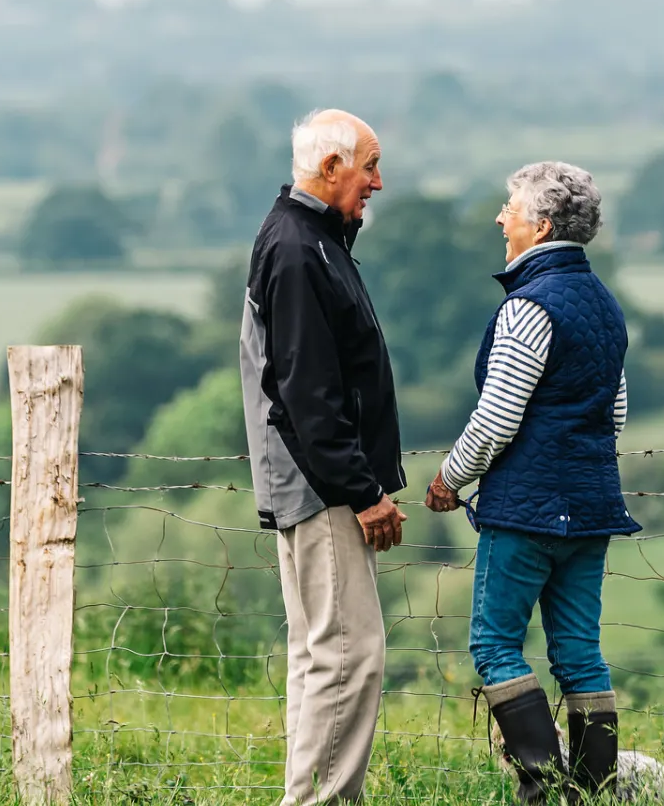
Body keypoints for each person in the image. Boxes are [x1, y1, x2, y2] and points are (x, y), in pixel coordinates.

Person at [425, 161, 640, 805]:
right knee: (579, 651)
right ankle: (593, 794)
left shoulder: (526, 308)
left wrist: (447, 478)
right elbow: (616, 412)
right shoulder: (606, 308)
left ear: (540, 226)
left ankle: (541, 789)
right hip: (593, 507)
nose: (500, 217)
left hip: (525, 511)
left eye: (510, 208)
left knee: (495, 647)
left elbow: (496, 420)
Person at [239, 108, 408, 805]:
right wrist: (362, 490)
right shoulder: (300, 249)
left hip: (312, 481)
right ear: (331, 167)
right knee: (348, 655)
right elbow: (308, 391)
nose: (377, 181)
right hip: (321, 487)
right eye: (368, 165)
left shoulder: (312, 239)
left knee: (319, 657)